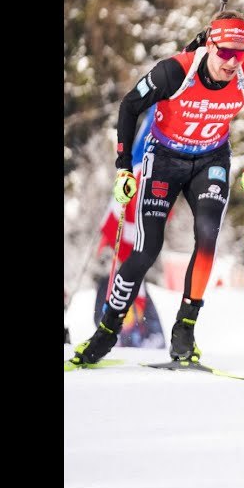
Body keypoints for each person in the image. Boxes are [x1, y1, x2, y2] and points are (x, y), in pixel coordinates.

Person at [68, 10, 244, 367]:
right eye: (225, 52)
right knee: (147, 248)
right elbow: (129, 106)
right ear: (210, 46)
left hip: (210, 160)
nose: (232, 61)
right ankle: (106, 331)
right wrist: (122, 168)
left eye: (240, 53)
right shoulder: (175, 71)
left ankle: (184, 332)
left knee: (207, 236)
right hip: (164, 158)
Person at [91, 105, 167, 349]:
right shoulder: (107, 281)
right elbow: (97, 315)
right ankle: (116, 336)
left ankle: (136, 337)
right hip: (119, 347)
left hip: (145, 350)